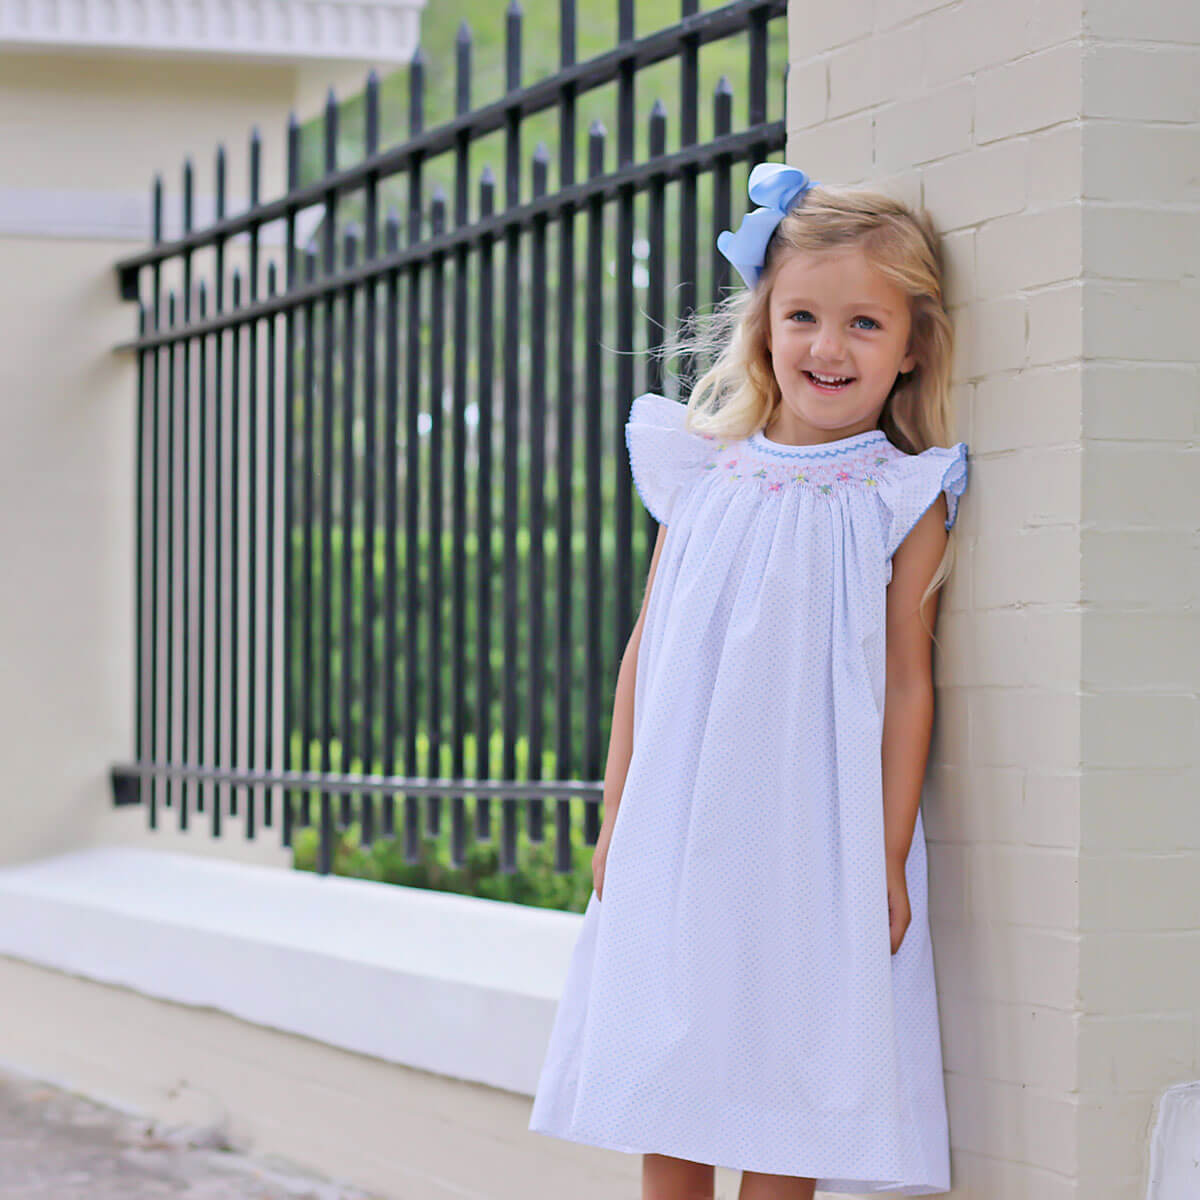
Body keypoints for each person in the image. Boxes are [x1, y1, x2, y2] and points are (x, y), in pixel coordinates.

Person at [527, 161, 969, 1200]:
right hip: (684, 824)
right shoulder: (701, 470)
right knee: (678, 1057)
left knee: (791, 1062)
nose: (827, 346)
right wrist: (616, 812)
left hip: (815, 836)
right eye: (803, 315)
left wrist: (890, 854)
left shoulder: (902, 497)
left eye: (865, 324)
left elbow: (910, 684)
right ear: (764, 324)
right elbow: (650, 646)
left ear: (911, 350)